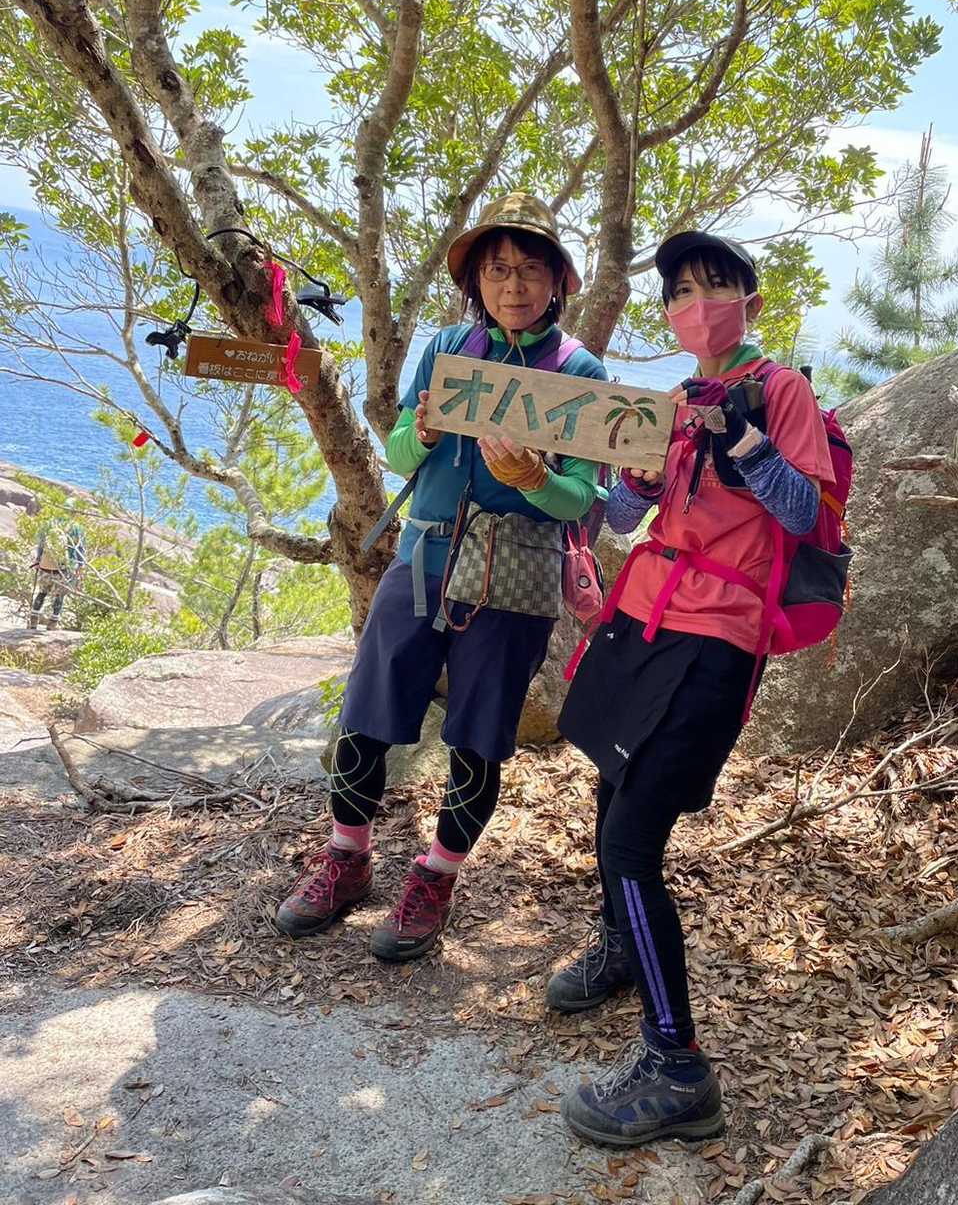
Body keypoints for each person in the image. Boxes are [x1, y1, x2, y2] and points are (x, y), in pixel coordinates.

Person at [548, 231, 836, 1147]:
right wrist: (632, 479)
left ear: (751, 301)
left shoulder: (779, 391)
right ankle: (621, 947)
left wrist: (745, 442)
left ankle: (677, 1069)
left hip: (717, 632)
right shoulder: (669, 401)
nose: (696, 304)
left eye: (714, 286)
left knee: (633, 838)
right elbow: (626, 515)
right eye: (680, 291)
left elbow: (804, 511)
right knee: (608, 788)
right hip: (643, 614)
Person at [276, 192, 608, 960]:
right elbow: (400, 454)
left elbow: (580, 499)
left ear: (557, 281)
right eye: (498, 270)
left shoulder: (578, 370)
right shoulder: (450, 348)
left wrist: (533, 478)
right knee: (366, 713)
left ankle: (436, 877)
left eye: (530, 269)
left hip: (514, 575)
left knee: (478, 737)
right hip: (423, 558)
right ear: (476, 281)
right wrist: (421, 431)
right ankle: (347, 858)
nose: (513, 285)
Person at [29, 502, 85, 630]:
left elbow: (40, 545)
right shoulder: (75, 527)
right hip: (63, 569)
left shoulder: (48, 524)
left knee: (42, 592)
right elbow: (79, 548)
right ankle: (52, 623)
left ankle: (33, 621)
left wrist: (38, 560)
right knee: (59, 595)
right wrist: (80, 565)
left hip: (45, 566)